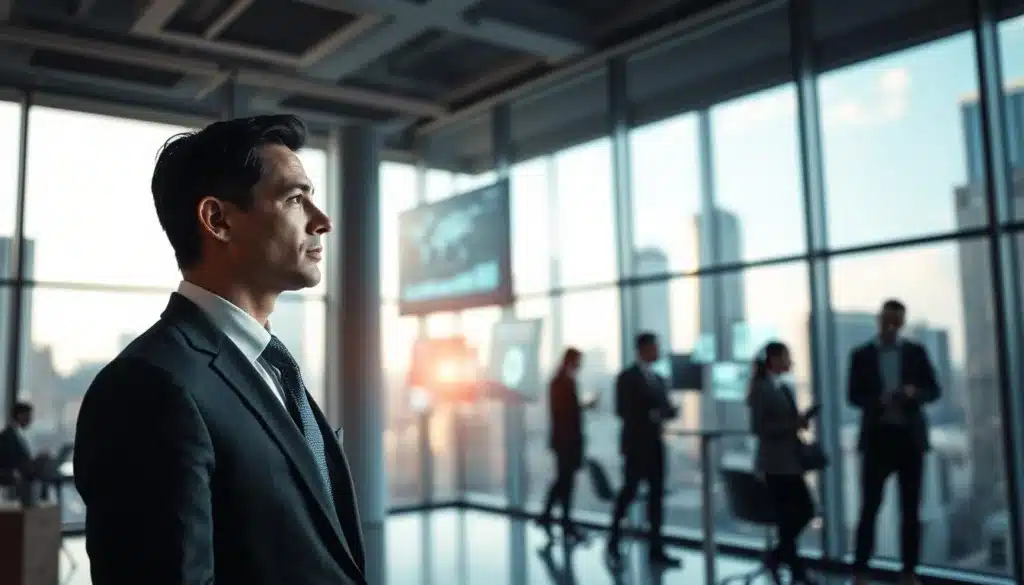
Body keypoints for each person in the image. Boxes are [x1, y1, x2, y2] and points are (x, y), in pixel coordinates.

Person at [73, 115, 367, 585]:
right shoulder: (149, 387)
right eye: (295, 198)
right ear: (218, 220)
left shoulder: (269, 366)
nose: (322, 221)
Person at [849, 299, 939, 585]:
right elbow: (852, 395)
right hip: (877, 439)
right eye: (887, 320)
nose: (891, 326)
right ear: (879, 319)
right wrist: (877, 401)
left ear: (902, 322)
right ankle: (860, 571)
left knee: (910, 509)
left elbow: (934, 390)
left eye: (897, 321)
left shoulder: (916, 352)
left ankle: (909, 572)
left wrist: (914, 393)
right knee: (869, 508)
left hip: (909, 440)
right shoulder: (861, 355)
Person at [606, 332, 681, 569]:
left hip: (655, 446)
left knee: (656, 498)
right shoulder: (626, 377)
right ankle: (613, 541)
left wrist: (668, 412)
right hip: (636, 447)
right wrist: (652, 415)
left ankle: (656, 550)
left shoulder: (659, 379)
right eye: (654, 348)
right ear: (643, 349)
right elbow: (622, 410)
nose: (657, 352)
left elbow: (663, 408)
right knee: (628, 492)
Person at [747, 341, 817, 585]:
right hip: (774, 465)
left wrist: (800, 421)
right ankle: (784, 561)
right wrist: (792, 425)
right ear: (774, 360)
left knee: (796, 515)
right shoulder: (760, 388)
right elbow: (759, 428)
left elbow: (786, 422)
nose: (791, 362)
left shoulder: (784, 388)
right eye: (787, 357)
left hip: (789, 461)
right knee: (801, 512)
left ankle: (781, 559)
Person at [539, 347, 596, 542]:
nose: (580, 365)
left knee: (563, 482)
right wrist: (583, 407)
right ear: (571, 361)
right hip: (566, 442)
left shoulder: (563, 381)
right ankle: (560, 521)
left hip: (567, 441)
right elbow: (564, 412)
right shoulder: (560, 382)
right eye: (578, 361)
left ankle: (549, 517)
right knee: (565, 483)